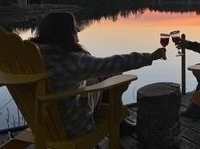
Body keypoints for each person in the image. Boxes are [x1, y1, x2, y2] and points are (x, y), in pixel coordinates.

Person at [30, 12, 166, 137]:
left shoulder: (33, 58)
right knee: (113, 74)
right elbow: (114, 63)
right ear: (66, 33)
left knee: (100, 76)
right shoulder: (73, 61)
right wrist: (150, 57)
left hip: (42, 123)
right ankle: (119, 125)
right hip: (73, 125)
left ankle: (120, 124)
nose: (77, 30)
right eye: (74, 28)